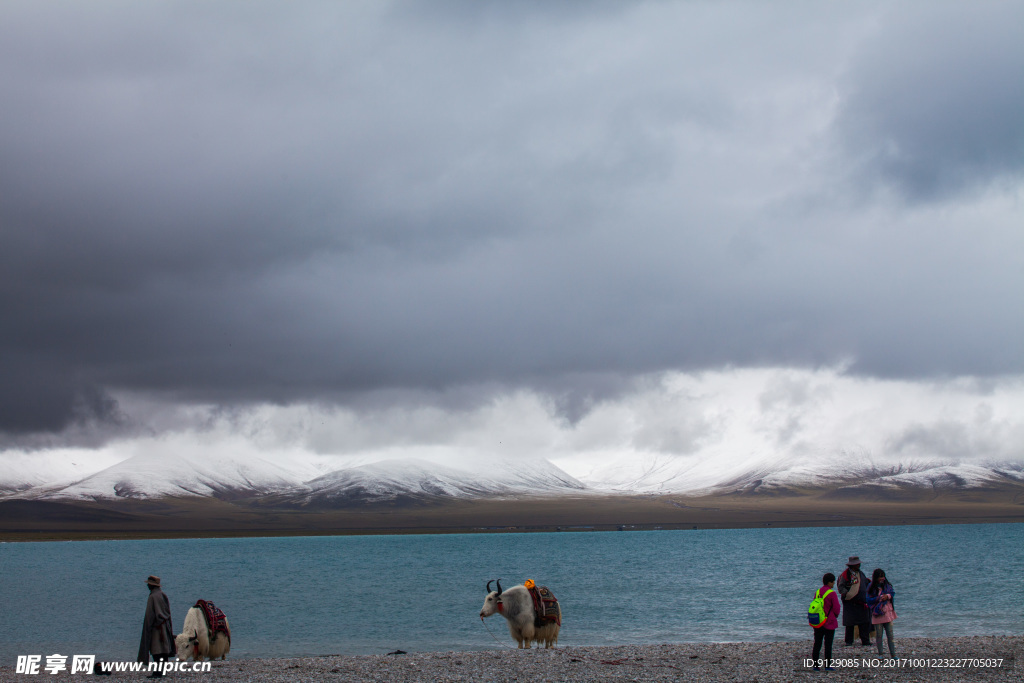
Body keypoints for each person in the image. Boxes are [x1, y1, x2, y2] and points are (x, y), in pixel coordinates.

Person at [137, 575, 174, 678]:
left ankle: (157, 673)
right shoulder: (163, 594)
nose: (147, 586)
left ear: (151, 585)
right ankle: (163, 672)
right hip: (164, 627)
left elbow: (149, 615)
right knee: (164, 651)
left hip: (156, 629)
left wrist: (147, 629)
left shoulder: (152, 597)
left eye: (148, 584)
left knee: (156, 651)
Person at [837, 556, 872, 646]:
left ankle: (865, 641)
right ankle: (849, 641)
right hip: (850, 603)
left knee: (864, 622)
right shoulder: (845, 575)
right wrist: (847, 594)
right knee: (850, 623)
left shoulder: (861, 574)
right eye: (857, 564)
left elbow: (866, 584)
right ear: (853, 565)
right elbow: (841, 587)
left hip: (861, 603)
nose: (859, 565)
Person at [811, 572, 841, 671]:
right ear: (829, 582)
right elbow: (836, 608)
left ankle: (815, 665)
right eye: (833, 582)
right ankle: (827, 665)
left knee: (817, 643)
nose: (833, 584)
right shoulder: (832, 593)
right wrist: (834, 616)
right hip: (829, 622)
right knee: (828, 644)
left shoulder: (818, 592)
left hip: (818, 621)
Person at [866, 568, 897, 659]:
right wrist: (879, 598)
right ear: (876, 578)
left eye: (883, 576)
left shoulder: (887, 586)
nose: (882, 579)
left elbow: (892, 593)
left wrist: (887, 596)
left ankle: (893, 654)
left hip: (887, 613)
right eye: (880, 577)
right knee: (879, 636)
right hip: (877, 614)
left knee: (890, 635)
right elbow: (868, 600)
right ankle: (880, 654)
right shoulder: (870, 587)